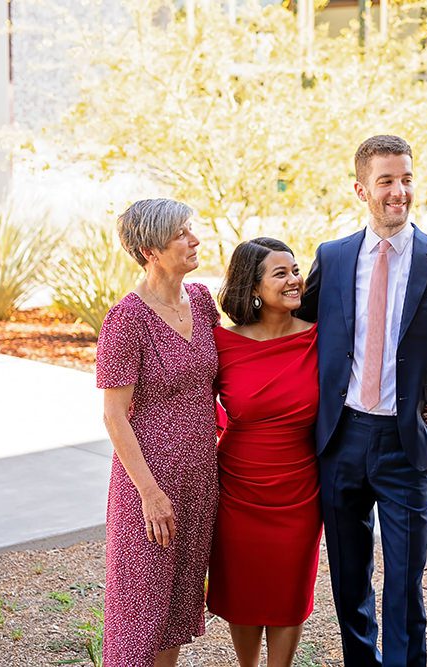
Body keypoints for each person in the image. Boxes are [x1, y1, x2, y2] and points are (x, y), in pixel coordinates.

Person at [298, 134, 427, 666]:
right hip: (340, 440)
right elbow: (299, 333)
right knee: (349, 581)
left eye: (406, 179)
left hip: (405, 445)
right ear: (361, 189)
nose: (398, 192)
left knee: (405, 585)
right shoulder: (333, 258)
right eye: (386, 181)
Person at [96, 199, 220, 667]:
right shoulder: (127, 319)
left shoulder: (203, 301)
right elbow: (113, 415)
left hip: (200, 480)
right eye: (182, 235)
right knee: (138, 613)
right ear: (150, 249)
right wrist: (149, 492)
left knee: (174, 609)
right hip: (149, 486)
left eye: (192, 231)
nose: (195, 241)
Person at [208, 237, 321, 667]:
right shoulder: (223, 343)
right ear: (253, 288)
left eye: (295, 270)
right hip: (237, 487)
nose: (295, 280)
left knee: (289, 591)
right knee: (244, 589)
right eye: (281, 274)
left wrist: (426, 400)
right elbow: (197, 405)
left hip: (300, 488)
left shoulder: (320, 338)